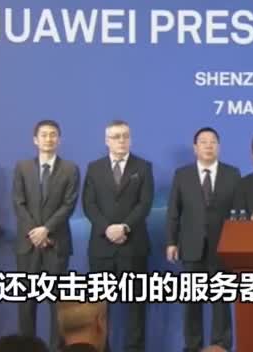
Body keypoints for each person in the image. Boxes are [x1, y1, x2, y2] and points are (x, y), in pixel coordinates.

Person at [166, 127, 241, 352]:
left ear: (219, 147)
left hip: (223, 247)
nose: (208, 145)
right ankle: (192, 346)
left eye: (213, 142)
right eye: (203, 141)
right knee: (191, 302)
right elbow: (174, 211)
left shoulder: (232, 173)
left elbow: (239, 210)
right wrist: (171, 242)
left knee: (221, 301)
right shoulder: (182, 175)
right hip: (191, 245)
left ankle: (221, 345)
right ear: (195, 147)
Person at [82, 120, 154, 352]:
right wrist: (108, 229)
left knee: (136, 306)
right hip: (101, 247)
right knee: (99, 308)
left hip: (133, 245)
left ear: (130, 139)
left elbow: (145, 203)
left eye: (125, 136)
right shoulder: (94, 168)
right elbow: (89, 204)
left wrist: (124, 227)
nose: (121, 140)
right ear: (107, 141)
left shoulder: (143, 167)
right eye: (116, 136)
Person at [11, 120, 80, 351]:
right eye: (44, 135)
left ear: (59, 140)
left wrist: (46, 230)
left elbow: (69, 204)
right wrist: (35, 232)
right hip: (28, 245)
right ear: (35, 140)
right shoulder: (22, 167)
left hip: (56, 244)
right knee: (26, 304)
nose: (48, 139)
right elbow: (18, 202)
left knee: (57, 305)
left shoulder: (70, 169)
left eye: (53, 135)